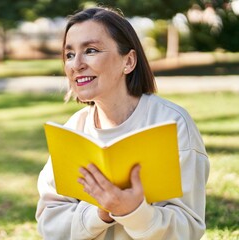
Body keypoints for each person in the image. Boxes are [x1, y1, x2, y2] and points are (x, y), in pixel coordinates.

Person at [36, 6, 210, 240]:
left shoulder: (172, 123)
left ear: (128, 61)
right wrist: (102, 213)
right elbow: (50, 224)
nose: (76, 65)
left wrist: (133, 212)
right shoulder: (72, 130)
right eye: (69, 54)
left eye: (90, 50)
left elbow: (187, 228)